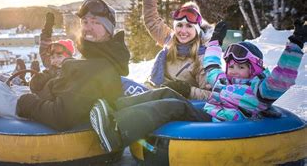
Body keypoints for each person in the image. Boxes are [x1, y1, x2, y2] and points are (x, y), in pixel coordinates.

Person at [89, 20, 306, 152]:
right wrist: (215, 41)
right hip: (210, 113)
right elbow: (211, 64)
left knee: (172, 106)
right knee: (166, 91)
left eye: (241, 67)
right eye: (230, 66)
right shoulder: (223, 81)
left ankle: (117, 133)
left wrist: (295, 46)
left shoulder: (260, 90)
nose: (233, 71)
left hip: (222, 123)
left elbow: (282, 78)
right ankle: (114, 108)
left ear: (254, 69)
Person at [0, 0, 130, 131]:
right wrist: (49, 80)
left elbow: (62, 116)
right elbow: (72, 92)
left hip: (40, 113)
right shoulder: (97, 58)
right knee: (1, 81)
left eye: (95, 22)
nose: (88, 27)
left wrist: (28, 103)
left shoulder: (97, 66)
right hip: (44, 101)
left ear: (109, 29)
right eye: (85, 22)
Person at [0, 12, 78, 121]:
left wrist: (40, 80)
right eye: (52, 57)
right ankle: (16, 80)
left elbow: (57, 98)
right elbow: (44, 49)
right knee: (2, 80)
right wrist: (47, 29)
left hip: (34, 109)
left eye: (59, 56)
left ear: (69, 56)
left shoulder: (70, 71)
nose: (54, 60)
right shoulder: (54, 67)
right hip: (32, 101)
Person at [143, 0, 214, 100]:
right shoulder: (170, 40)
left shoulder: (203, 56)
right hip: (157, 94)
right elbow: (151, 19)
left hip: (178, 105)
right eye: (180, 25)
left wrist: (187, 91)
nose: (183, 31)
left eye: (189, 26)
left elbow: (212, 95)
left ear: (198, 30)